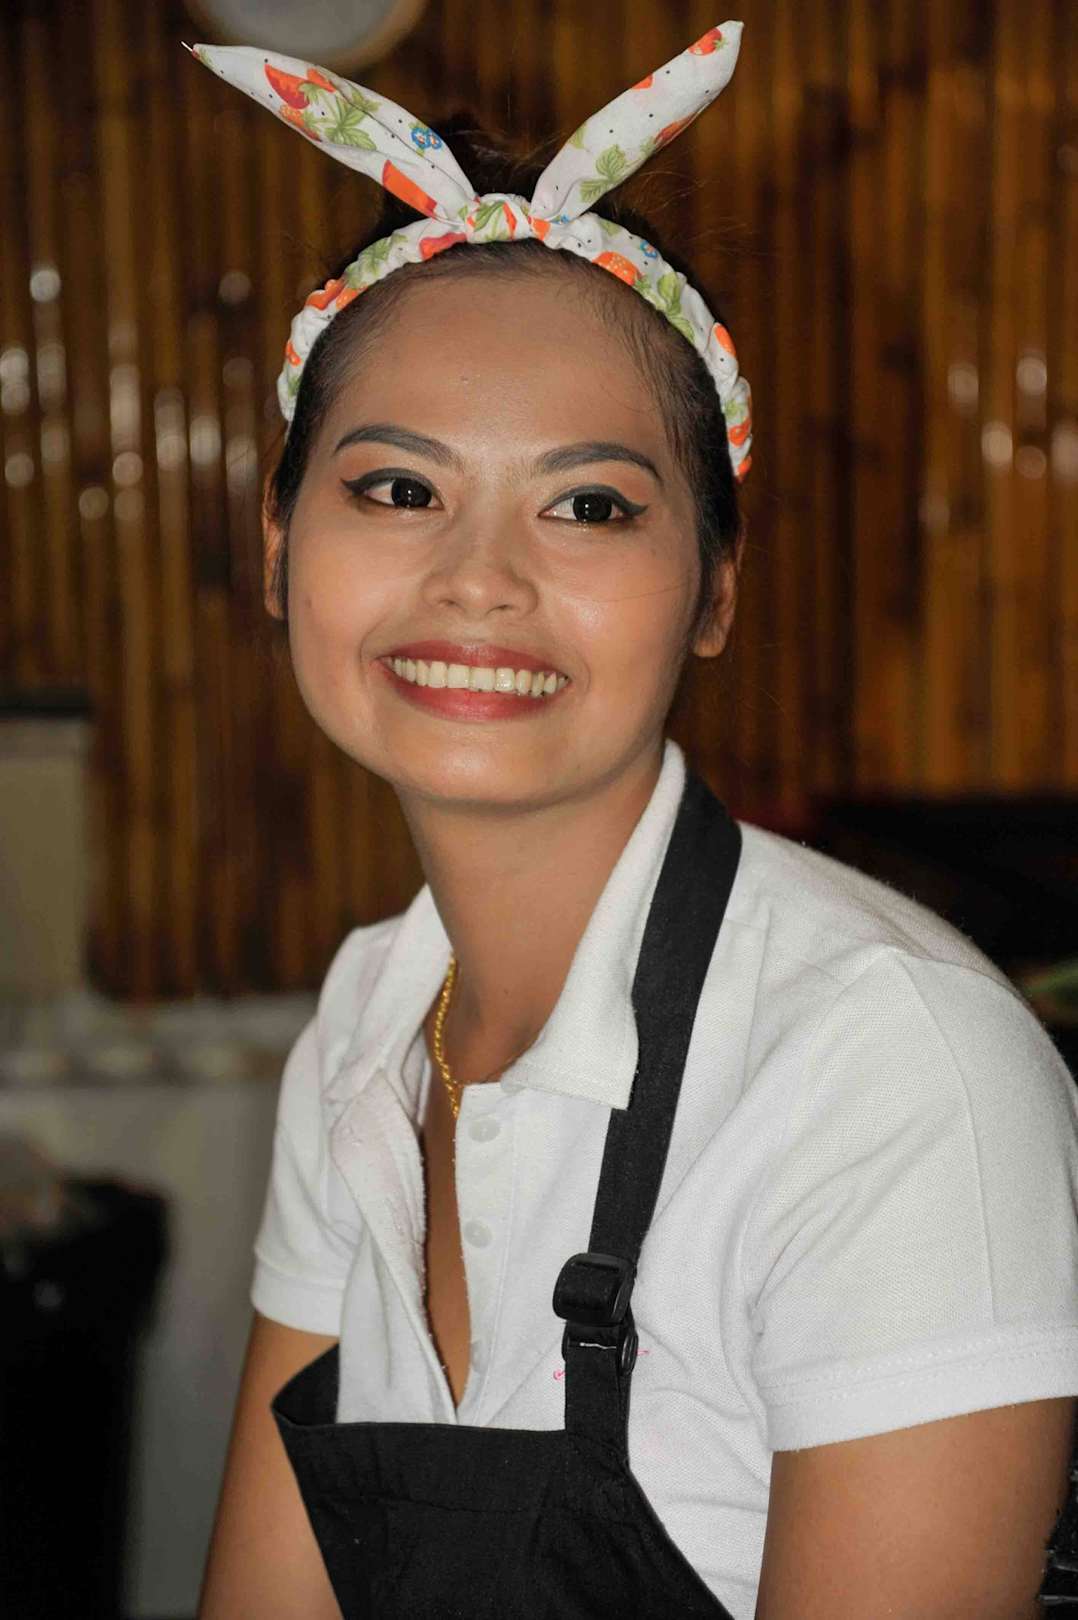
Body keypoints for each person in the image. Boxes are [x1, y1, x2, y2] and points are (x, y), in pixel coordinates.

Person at [191, 23, 1078, 1619]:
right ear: (276, 542)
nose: (478, 577)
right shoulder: (369, 1021)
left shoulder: (884, 1069)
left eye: (588, 504)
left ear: (714, 590)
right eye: (397, 487)